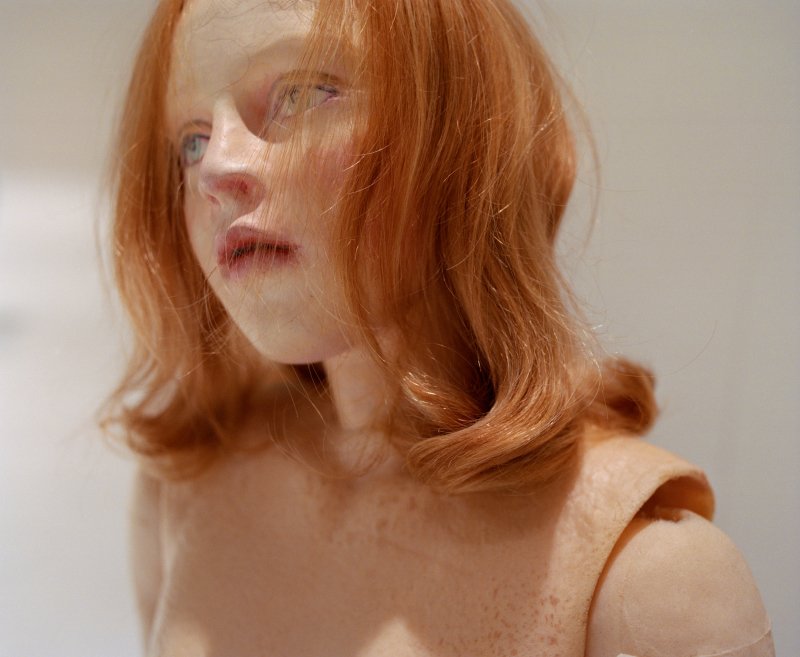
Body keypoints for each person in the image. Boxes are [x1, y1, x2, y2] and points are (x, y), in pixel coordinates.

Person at [103, 0, 774, 655]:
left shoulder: (648, 586)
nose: (216, 170)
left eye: (303, 94)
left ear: (467, 136)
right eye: (191, 139)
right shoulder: (182, 494)